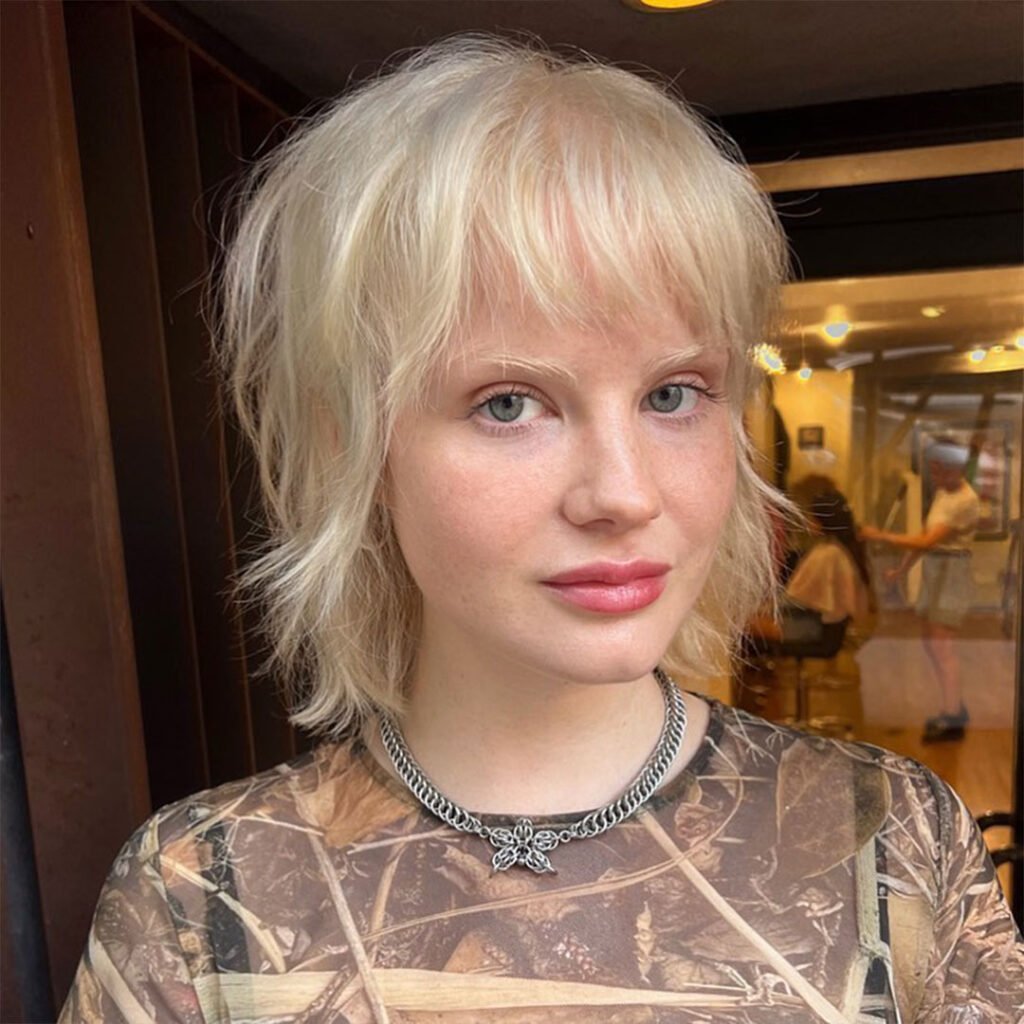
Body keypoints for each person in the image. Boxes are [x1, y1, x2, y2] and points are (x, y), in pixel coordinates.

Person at [60, 38, 1021, 1024]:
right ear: (358, 449)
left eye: (673, 392)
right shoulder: (203, 897)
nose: (623, 493)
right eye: (510, 403)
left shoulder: (890, 844)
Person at [861, 437, 981, 743]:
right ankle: (954, 706)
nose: (934, 475)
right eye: (933, 468)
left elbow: (927, 541)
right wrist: (901, 570)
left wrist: (880, 535)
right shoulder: (943, 493)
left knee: (942, 646)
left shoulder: (965, 500)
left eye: (939, 469)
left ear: (955, 467)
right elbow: (925, 539)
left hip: (952, 573)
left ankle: (952, 717)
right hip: (936, 568)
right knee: (931, 643)